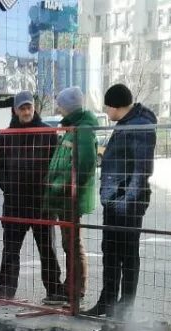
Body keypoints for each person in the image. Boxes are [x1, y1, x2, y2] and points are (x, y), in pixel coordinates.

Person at [91, 84, 157, 321]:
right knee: (110, 251)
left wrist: (125, 201)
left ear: (115, 106)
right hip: (115, 201)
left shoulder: (140, 126)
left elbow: (141, 170)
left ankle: (124, 308)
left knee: (127, 255)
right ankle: (107, 301)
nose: (106, 113)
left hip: (127, 204)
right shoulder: (126, 123)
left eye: (107, 107)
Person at [0, 91, 63, 303]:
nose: (25, 111)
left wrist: (48, 189)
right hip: (14, 203)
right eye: (21, 108)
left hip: (42, 204)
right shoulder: (6, 136)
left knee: (47, 249)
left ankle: (54, 290)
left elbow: (56, 165)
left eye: (28, 107)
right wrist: (10, 188)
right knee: (11, 249)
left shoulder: (48, 133)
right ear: (15, 110)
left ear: (34, 108)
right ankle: (5, 290)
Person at [43, 86, 99, 308]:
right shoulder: (72, 127)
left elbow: (84, 165)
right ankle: (71, 287)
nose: (58, 108)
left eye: (60, 104)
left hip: (70, 198)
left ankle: (77, 290)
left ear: (68, 106)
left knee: (73, 244)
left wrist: (62, 186)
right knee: (70, 244)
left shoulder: (82, 129)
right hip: (64, 197)